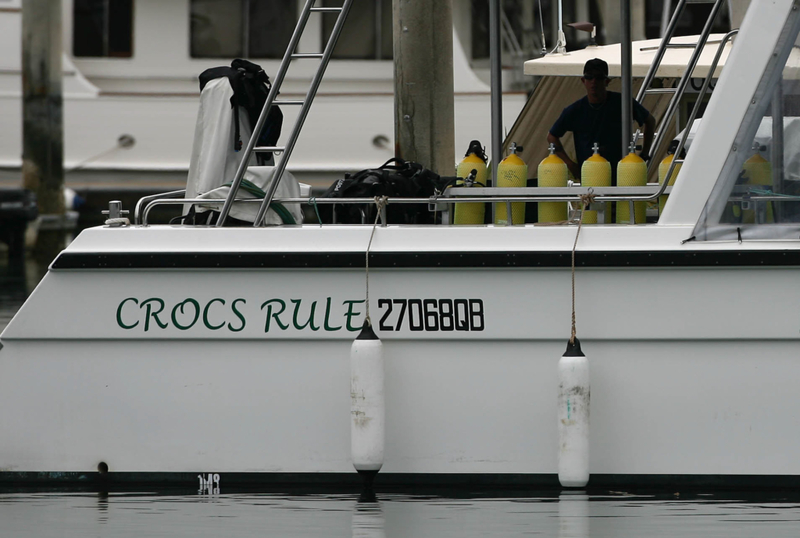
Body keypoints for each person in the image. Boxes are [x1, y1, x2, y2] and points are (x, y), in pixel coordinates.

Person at [547, 58, 656, 182]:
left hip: (621, 175)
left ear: (607, 81)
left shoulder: (622, 102)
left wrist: (644, 153)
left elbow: (650, 121)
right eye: (589, 77)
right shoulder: (575, 110)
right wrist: (570, 164)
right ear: (583, 81)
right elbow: (551, 136)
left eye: (598, 77)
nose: (594, 82)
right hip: (590, 176)